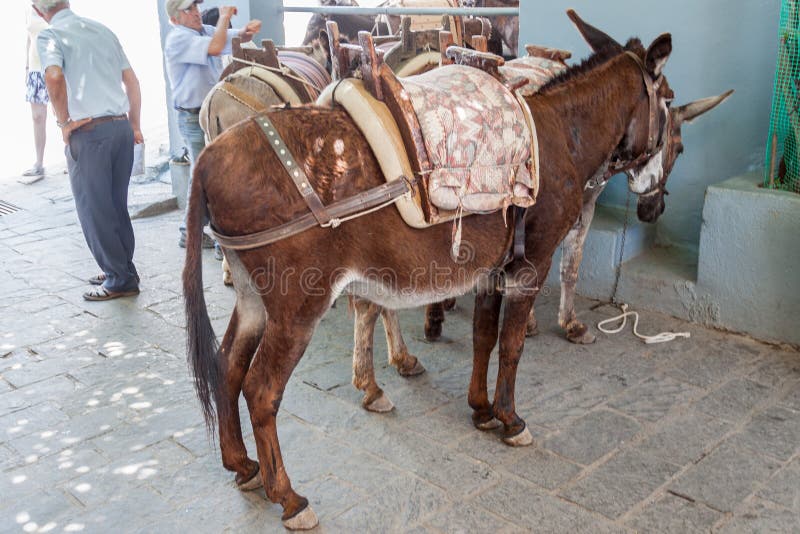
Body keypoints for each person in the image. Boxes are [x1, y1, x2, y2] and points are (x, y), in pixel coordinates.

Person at [34, 0, 144, 301]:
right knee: (116, 205)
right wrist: (134, 124)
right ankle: (121, 268)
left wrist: (64, 122)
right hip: (120, 128)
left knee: (95, 209)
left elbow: (53, 76)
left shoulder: (50, 36)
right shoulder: (102, 29)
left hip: (90, 131)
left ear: (38, 10)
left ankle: (119, 278)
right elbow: (132, 82)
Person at [163, 0, 261, 255]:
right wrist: (223, 16)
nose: (195, 13)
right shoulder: (178, 39)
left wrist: (248, 29)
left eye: (195, 7)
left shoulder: (202, 32)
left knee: (209, 177)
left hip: (213, 113)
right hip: (194, 118)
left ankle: (192, 232)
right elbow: (217, 46)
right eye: (188, 10)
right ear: (175, 19)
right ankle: (218, 241)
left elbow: (236, 37)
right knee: (208, 179)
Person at [22, 7, 50, 182]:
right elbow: (28, 40)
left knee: (64, 114)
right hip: (35, 70)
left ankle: (73, 159)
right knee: (37, 117)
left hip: (54, 66)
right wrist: (26, 67)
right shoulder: (28, 8)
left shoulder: (54, 4)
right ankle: (39, 163)